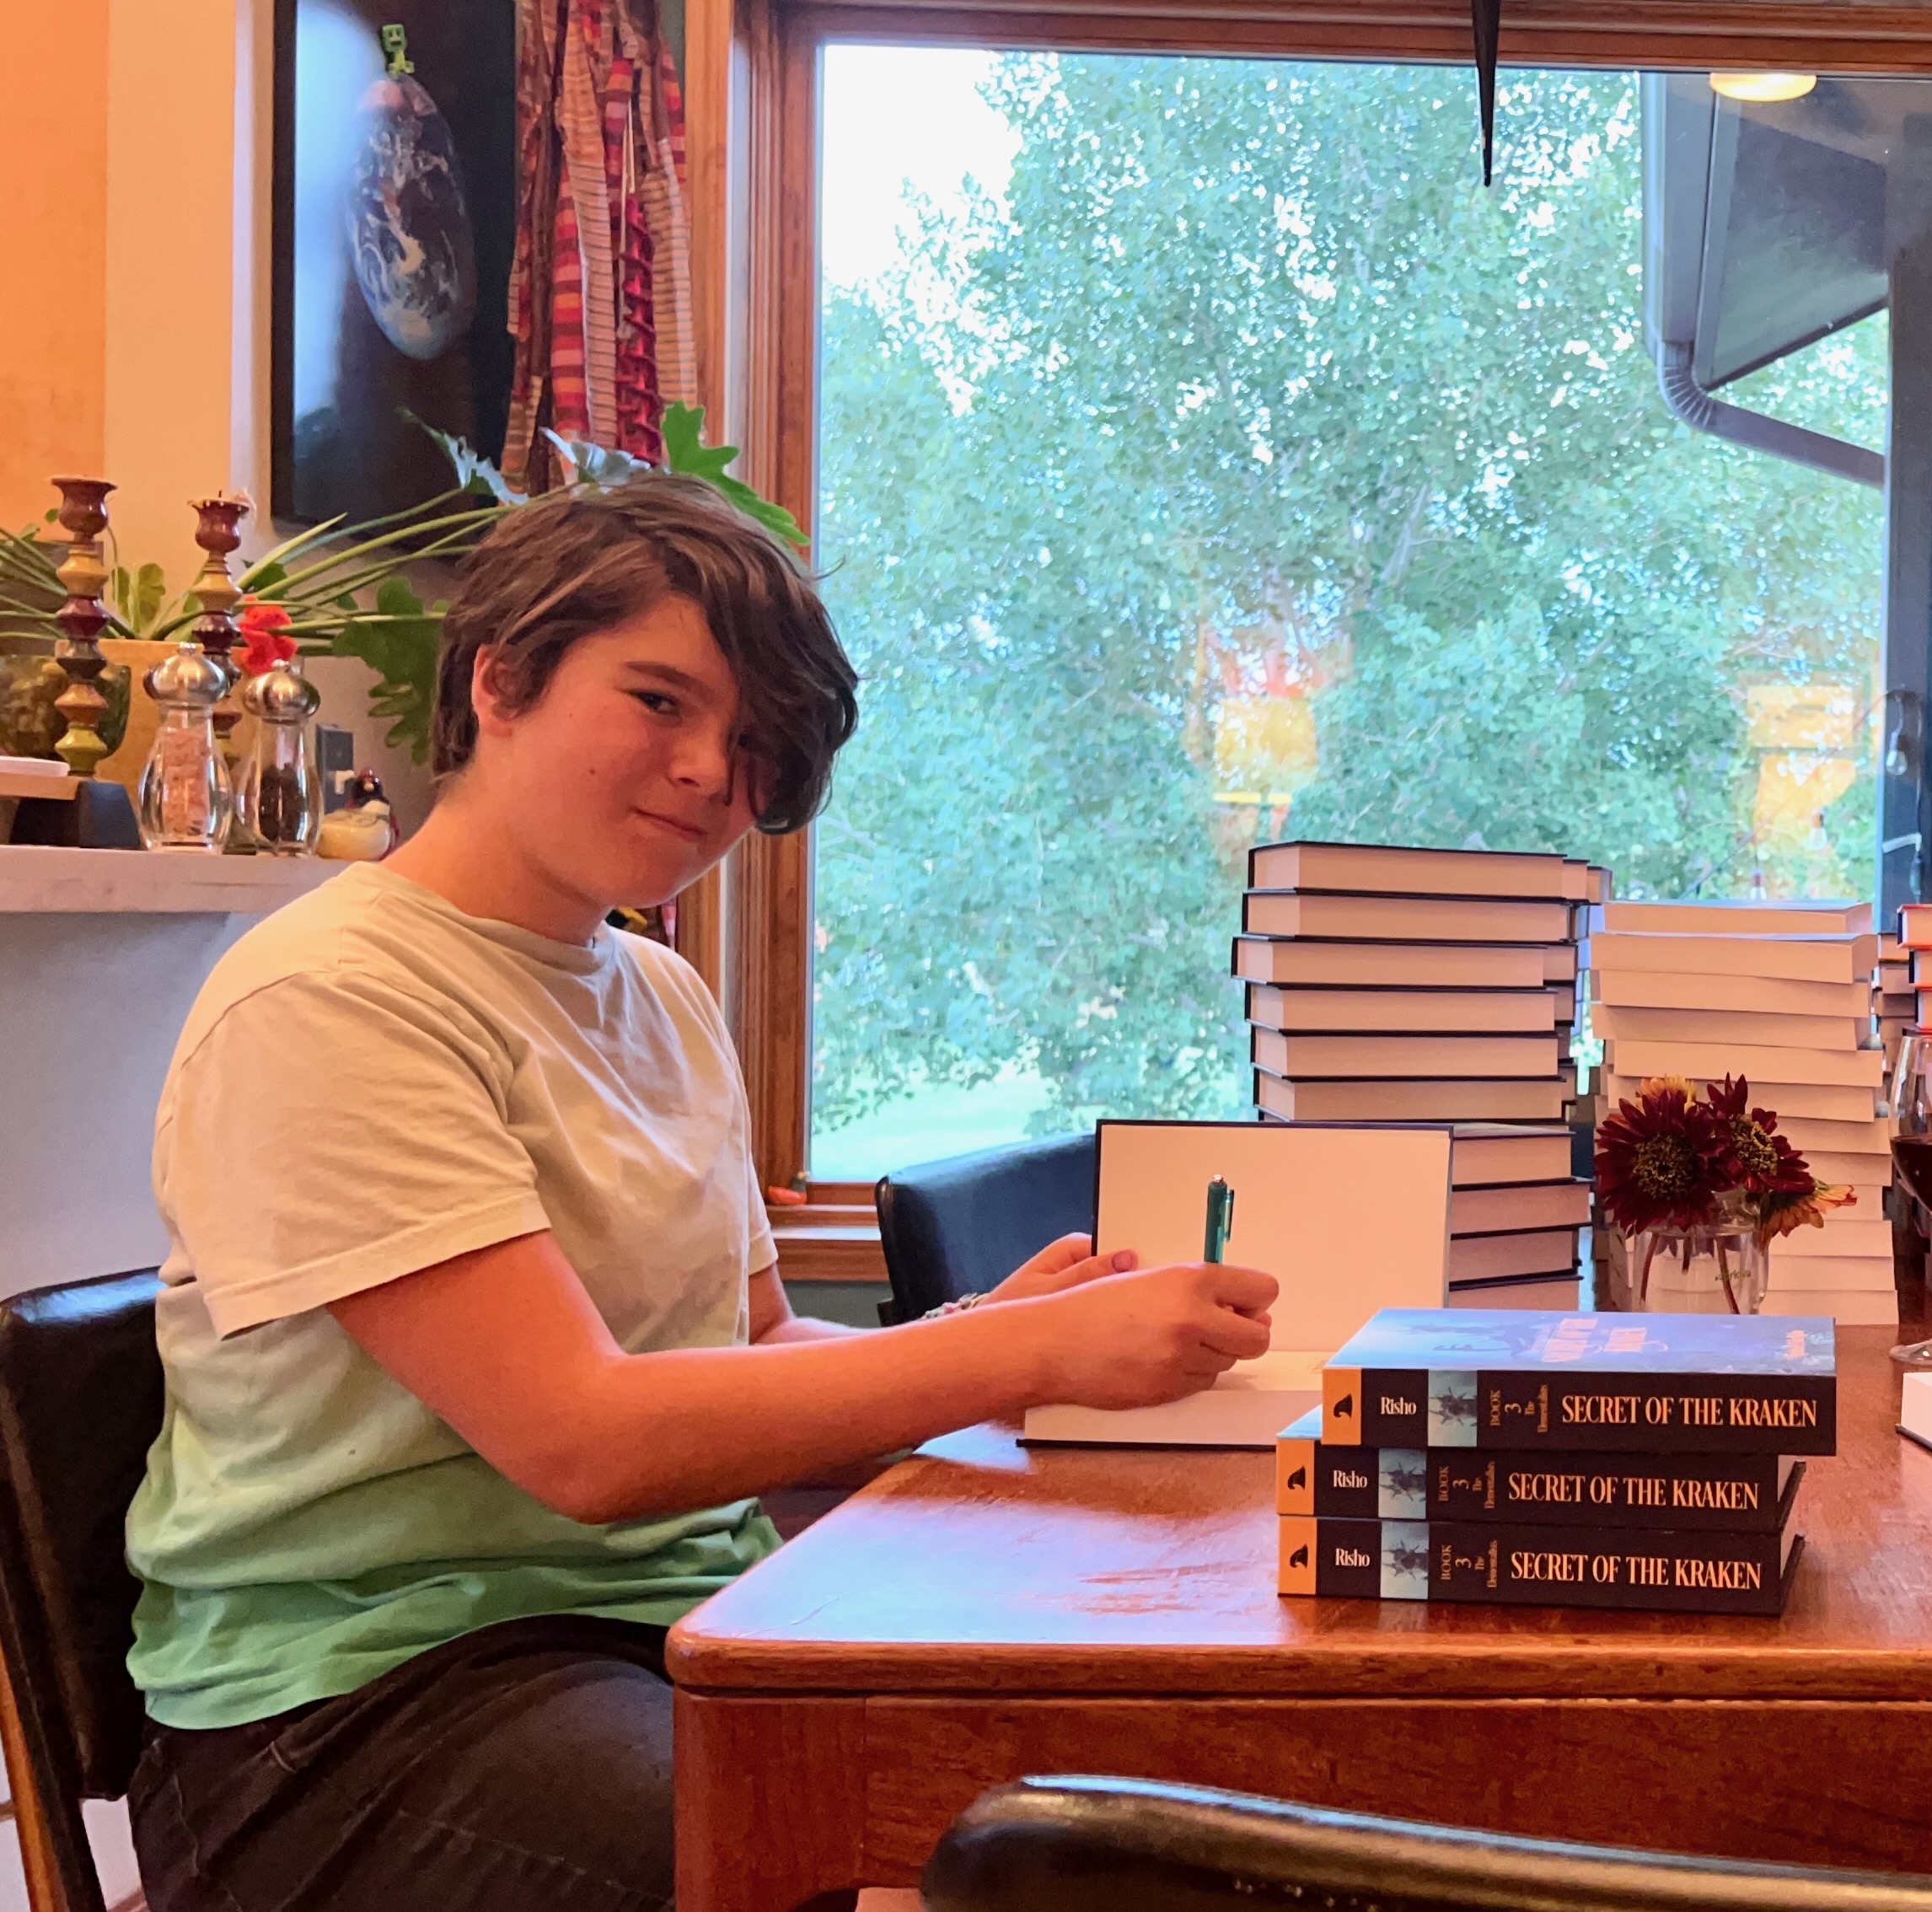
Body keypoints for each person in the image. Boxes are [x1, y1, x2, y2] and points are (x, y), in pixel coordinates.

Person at [121, 476, 1279, 1912]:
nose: (709, 774)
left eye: (755, 743)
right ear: (501, 680)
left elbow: (752, 1351)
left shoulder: (658, 991)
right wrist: (1010, 1354)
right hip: (360, 1711)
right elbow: (584, 1441)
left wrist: (982, 1360)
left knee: (1134, 1805)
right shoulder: (334, 998)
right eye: (660, 701)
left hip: (681, 1628)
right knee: (986, 1869)